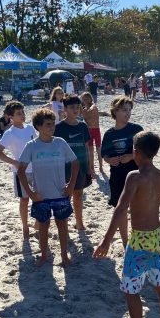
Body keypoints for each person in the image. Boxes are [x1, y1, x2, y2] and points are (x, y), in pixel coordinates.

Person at [94, 131, 160, 318]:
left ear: (136, 152)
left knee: (131, 290)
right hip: (158, 237)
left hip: (140, 240)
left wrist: (106, 241)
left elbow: (121, 209)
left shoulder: (135, 176)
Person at [17, 108, 80, 267]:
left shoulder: (60, 143)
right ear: (38, 127)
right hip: (41, 196)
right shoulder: (31, 146)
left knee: (62, 225)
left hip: (60, 194)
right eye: (47, 125)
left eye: (53, 124)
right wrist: (31, 193)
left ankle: (64, 255)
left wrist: (71, 186)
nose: (52, 127)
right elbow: (21, 171)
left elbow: (75, 163)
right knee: (43, 226)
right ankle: (44, 255)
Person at [101, 96, 143, 247]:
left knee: (137, 208)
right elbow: (104, 153)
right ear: (115, 112)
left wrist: (131, 156)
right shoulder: (109, 134)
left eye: (129, 110)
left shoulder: (137, 129)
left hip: (136, 174)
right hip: (117, 175)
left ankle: (138, 239)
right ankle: (126, 242)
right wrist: (108, 160)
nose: (128, 113)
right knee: (121, 209)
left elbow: (146, 152)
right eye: (124, 110)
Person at [0, 101, 37, 240]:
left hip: (36, 169)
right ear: (10, 116)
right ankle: (25, 226)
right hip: (20, 172)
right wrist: (14, 162)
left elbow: (37, 144)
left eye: (23, 112)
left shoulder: (30, 128)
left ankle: (37, 222)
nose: (22, 115)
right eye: (19, 113)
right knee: (24, 200)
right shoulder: (9, 133)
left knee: (39, 197)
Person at [54, 94, 93, 231]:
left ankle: (79, 222)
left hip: (81, 167)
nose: (75, 110)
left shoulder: (82, 126)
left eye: (78, 107)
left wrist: (90, 167)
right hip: (64, 168)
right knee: (65, 197)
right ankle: (63, 223)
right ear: (65, 109)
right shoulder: (58, 128)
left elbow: (87, 147)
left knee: (78, 195)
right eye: (71, 107)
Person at [81, 91, 106, 174]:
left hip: (96, 130)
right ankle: (92, 168)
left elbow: (92, 109)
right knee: (90, 151)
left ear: (90, 98)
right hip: (89, 131)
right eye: (84, 99)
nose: (85, 100)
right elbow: (85, 118)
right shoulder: (84, 110)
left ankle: (101, 167)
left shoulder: (93, 106)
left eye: (87, 98)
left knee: (98, 149)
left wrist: (87, 111)